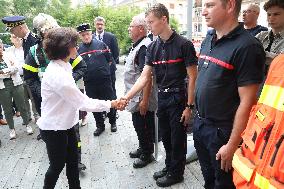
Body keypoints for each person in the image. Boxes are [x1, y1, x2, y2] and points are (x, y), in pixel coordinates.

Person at [38, 27, 124, 189]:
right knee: (56, 167)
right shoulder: (58, 74)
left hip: (68, 125)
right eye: (73, 44)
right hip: (55, 129)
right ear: (64, 49)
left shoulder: (63, 66)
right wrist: (111, 103)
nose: (76, 47)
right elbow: (82, 103)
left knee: (72, 163)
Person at [123, 3, 198, 187]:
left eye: (151, 22)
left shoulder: (184, 45)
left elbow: (193, 77)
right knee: (165, 135)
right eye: (147, 22)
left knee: (177, 138)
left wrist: (189, 107)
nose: (149, 26)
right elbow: (144, 77)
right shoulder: (153, 47)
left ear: (164, 20)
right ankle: (169, 166)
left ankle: (176, 173)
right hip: (162, 98)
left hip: (178, 99)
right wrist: (126, 97)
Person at [194, 0, 265, 188]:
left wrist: (232, 144)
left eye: (210, 5)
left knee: (224, 184)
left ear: (230, 5)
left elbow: (248, 101)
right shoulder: (209, 38)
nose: (203, 12)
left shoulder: (248, 46)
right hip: (201, 125)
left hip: (223, 133)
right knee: (208, 180)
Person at [23, 13, 88, 171]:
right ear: (40, 33)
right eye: (48, 31)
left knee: (73, 130)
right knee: (53, 134)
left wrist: (66, 84)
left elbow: (82, 67)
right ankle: (58, 159)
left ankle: (76, 160)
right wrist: (44, 93)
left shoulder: (65, 47)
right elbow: (29, 78)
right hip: (47, 102)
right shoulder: (33, 52)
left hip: (68, 99)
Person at [124, 15, 157, 168]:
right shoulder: (138, 45)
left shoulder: (144, 47)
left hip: (141, 97)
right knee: (139, 124)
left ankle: (147, 153)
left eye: (131, 26)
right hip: (135, 96)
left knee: (143, 124)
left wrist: (144, 100)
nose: (129, 29)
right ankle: (143, 147)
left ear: (141, 29)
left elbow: (148, 76)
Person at [77, 23, 117, 136]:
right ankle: (100, 126)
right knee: (94, 105)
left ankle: (113, 122)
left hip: (104, 81)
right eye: (83, 35)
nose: (86, 36)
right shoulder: (79, 50)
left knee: (110, 101)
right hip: (90, 83)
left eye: (88, 34)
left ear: (91, 33)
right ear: (80, 36)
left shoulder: (101, 45)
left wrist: (105, 73)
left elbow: (110, 60)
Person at [0, 39, 33, 139]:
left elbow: (16, 68)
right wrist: (8, 71)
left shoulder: (9, 54)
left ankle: (27, 124)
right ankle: (12, 129)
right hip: (2, 86)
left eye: (0, 46)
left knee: (22, 105)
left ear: (2, 45)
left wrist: (3, 71)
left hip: (16, 83)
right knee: (7, 109)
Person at [5, 34, 39, 122]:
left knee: (33, 96)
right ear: (11, 39)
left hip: (30, 76)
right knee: (23, 99)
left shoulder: (26, 47)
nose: (16, 38)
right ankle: (27, 117)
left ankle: (37, 116)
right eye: (14, 37)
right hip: (17, 77)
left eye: (17, 36)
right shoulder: (9, 51)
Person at [94, 16, 119, 97]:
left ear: (104, 25)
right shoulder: (91, 38)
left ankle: (114, 109)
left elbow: (116, 53)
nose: (100, 26)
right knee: (100, 91)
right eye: (98, 24)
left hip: (109, 70)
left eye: (101, 24)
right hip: (96, 71)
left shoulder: (111, 37)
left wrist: (108, 63)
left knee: (111, 90)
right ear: (95, 25)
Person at [256, 0, 284, 73]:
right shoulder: (261, 35)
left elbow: (280, 61)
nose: (271, 18)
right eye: (269, 15)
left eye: (276, 14)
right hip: (255, 80)